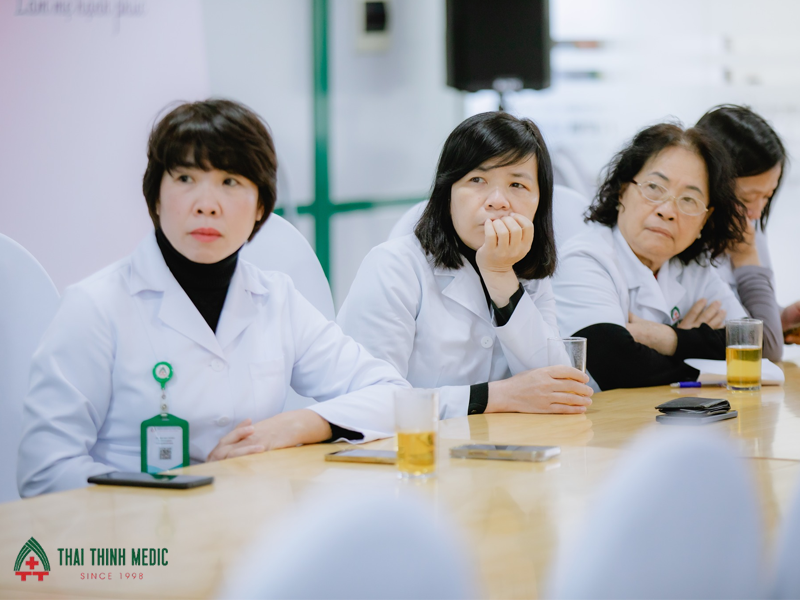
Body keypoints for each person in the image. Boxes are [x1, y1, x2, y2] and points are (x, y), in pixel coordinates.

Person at [17, 100, 407, 497]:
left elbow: (393, 395)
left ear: (261, 206)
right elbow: (46, 472)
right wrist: (186, 490)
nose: (206, 204)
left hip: (253, 520)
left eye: (230, 181)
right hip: (137, 528)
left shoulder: (276, 298)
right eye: (186, 178)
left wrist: (295, 425)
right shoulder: (95, 306)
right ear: (155, 197)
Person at [337, 112, 593, 418]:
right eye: (477, 180)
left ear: (540, 203)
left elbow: (558, 390)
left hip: (508, 445)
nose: (497, 201)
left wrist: (501, 276)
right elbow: (365, 401)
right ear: (447, 193)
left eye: (517, 184)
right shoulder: (393, 266)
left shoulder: (529, 275)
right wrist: (495, 397)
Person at [552, 123, 749, 390]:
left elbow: (746, 341)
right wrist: (700, 353)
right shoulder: (584, 259)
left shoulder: (693, 267)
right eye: (654, 187)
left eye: (689, 200)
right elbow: (619, 367)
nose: (667, 211)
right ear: (622, 190)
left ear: (705, 219)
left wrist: (667, 338)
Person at [696, 105, 800, 355]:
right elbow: (764, 348)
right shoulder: (686, 243)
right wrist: (746, 257)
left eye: (767, 196)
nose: (756, 212)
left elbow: (749, 324)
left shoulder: (749, 225)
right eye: (746, 198)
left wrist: (780, 318)